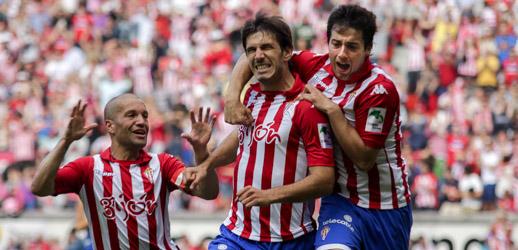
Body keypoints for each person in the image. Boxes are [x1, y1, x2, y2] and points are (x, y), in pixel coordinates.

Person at [224, 4, 412, 250]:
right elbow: (258, 52)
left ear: (368, 49)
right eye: (336, 44)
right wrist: (232, 97)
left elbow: (364, 159)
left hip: (385, 205)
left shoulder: (379, 90)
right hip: (340, 199)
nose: (341, 54)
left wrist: (332, 111)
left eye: (352, 47)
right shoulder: (315, 66)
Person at [188, 13, 335, 249]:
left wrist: (268, 196)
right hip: (238, 235)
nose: (258, 56)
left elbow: (325, 181)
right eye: (252, 50)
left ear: (288, 52)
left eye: (266, 47)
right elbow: (244, 139)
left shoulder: (307, 107)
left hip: (291, 239)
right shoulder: (253, 95)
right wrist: (206, 161)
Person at [31, 94, 219, 249]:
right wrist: (66, 140)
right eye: (131, 115)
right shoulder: (88, 168)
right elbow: (39, 188)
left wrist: (202, 152)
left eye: (145, 116)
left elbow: (208, 192)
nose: (141, 122)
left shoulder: (162, 164)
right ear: (110, 126)